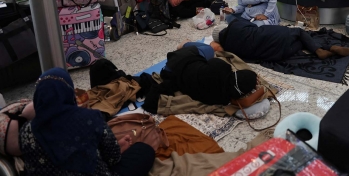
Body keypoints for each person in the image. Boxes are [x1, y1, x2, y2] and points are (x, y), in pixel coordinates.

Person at [19, 68, 155, 176]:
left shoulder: (26, 131)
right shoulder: (91, 119)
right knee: (144, 150)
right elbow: (113, 159)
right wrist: (118, 148)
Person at [144, 47, 259, 111]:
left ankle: (182, 45)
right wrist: (260, 89)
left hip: (177, 63)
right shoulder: (221, 99)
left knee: (208, 48)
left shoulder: (222, 67)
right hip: (173, 74)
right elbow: (246, 102)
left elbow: (211, 61)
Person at [213, 19, 349, 61]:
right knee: (299, 32)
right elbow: (253, 25)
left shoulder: (229, 49)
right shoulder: (235, 24)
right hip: (273, 35)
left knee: (300, 44)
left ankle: (326, 50)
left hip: (277, 54)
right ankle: (320, 49)